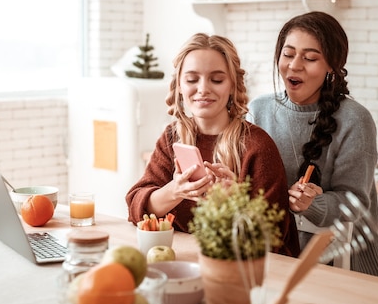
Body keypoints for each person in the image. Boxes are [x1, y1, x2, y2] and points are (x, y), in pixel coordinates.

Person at [126, 33, 300, 258]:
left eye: (216, 80)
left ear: (232, 86)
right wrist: (175, 190)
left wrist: (237, 200)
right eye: (192, 80)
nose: (203, 89)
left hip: (249, 270)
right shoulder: (172, 138)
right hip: (185, 263)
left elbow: (274, 236)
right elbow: (136, 209)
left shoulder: (257, 145)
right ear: (179, 85)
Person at [248, 11, 378, 277]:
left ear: (332, 66)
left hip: (341, 262)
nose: (295, 65)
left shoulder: (355, 120)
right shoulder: (259, 110)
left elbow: (356, 202)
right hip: (274, 256)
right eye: (288, 54)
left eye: (310, 58)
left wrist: (314, 204)